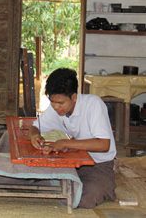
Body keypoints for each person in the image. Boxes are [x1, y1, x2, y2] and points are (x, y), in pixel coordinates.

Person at [30, 68, 116, 208]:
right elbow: (35, 126)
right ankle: (63, 183)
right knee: (39, 173)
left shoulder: (93, 105)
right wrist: (34, 135)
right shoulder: (56, 108)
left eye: (61, 103)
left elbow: (103, 144)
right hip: (74, 161)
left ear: (74, 97)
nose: (56, 107)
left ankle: (66, 184)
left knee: (86, 197)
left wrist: (66, 143)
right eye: (53, 102)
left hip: (98, 165)